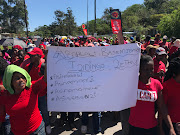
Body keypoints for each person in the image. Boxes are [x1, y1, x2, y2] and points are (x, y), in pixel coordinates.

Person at [128, 55, 176, 135]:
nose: (149, 72)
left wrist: (171, 127)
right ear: (139, 69)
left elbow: (162, 106)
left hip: (151, 127)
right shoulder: (132, 82)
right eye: (146, 69)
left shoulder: (157, 84)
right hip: (134, 126)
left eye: (151, 69)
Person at [0, 64, 47, 135]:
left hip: (36, 131)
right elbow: (1, 115)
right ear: (10, 81)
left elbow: (46, 79)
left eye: (23, 77)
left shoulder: (32, 88)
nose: (21, 80)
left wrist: (48, 58)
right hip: (15, 132)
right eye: (17, 78)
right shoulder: (5, 95)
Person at [24, 48, 51, 134]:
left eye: (32, 55)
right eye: (30, 55)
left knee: (44, 111)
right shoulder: (28, 67)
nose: (30, 56)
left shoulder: (43, 67)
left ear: (38, 56)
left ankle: (47, 125)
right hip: (31, 95)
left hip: (42, 95)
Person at [162, 57, 180, 135]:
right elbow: (162, 109)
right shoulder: (167, 86)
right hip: (169, 126)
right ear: (175, 74)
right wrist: (160, 129)